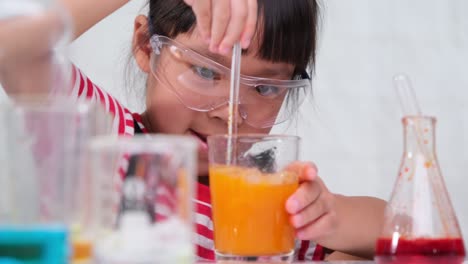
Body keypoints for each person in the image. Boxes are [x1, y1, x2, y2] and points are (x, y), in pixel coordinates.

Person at [1, 0, 387, 261]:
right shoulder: (104, 140)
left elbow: (404, 225)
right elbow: (11, 43)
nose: (230, 113)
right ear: (144, 45)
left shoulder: (270, 201)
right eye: (205, 71)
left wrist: (331, 217)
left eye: (266, 87)